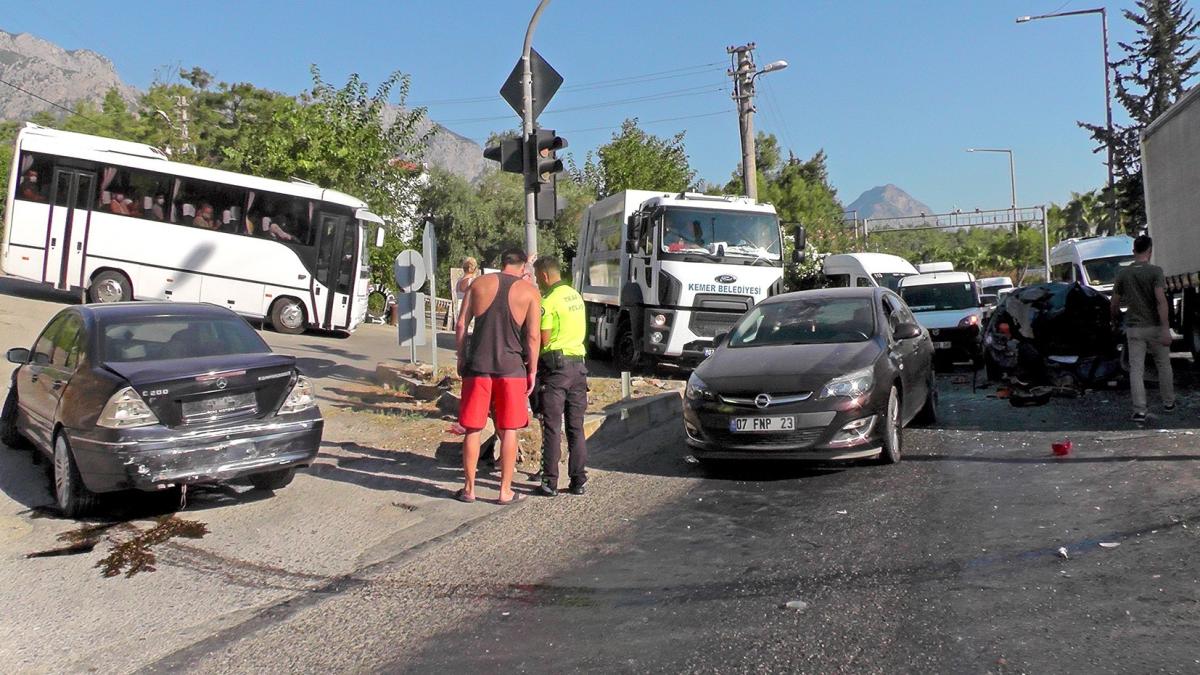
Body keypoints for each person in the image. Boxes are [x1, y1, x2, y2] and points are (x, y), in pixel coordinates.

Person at [454, 248, 541, 504]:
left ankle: (469, 489)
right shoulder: (530, 292)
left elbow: (461, 324)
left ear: (501, 263)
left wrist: (461, 356)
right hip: (512, 369)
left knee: (472, 428)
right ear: (523, 266)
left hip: (478, 366)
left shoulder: (478, 284)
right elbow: (533, 336)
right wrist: (532, 370)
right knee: (510, 428)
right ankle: (505, 491)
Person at [531, 256, 589, 497]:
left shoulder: (549, 300)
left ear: (544, 275)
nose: (537, 282)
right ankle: (578, 480)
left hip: (556, 370)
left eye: (537, 277)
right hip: (579, 367)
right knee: (576, 427)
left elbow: (543, 339)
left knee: (553, 426)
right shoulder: (575, 296)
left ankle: (550, 481)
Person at [1111, 234, 1175, 423]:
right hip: (1154, 327)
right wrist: (1165, 328)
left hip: (1134, 329)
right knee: (1163, 365)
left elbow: (1114, 303)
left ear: (1133, 251)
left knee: (1136, 369)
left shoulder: (1123, 274)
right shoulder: (1155, 271)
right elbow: (1161, 301)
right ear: (1150, 251)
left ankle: (1139, 410)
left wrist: (1114, 321)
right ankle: (1169, 402)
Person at [454, 257, 480, 329]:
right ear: (475, 269)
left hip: (459, 310)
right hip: (469, 311)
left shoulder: (459, 282)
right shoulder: (472, 281)